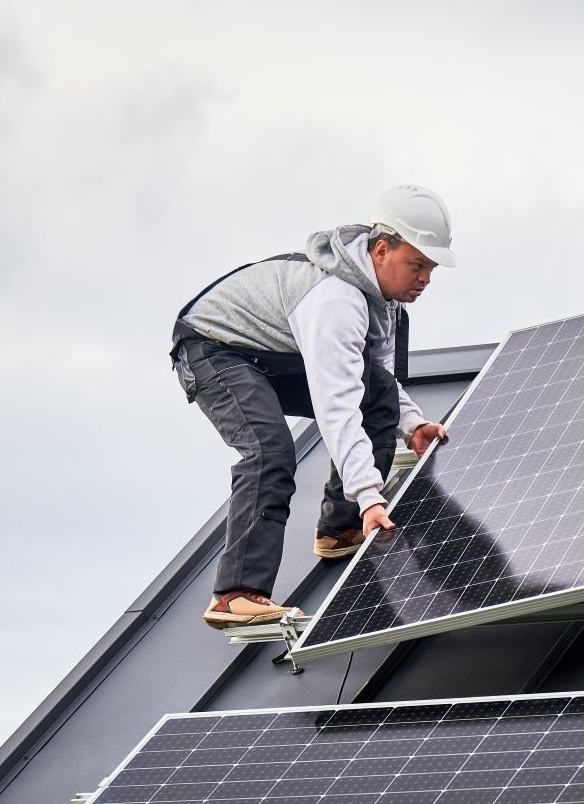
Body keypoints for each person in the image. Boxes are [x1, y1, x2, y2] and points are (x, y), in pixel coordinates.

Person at [170, 185, 453, 628]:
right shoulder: (335, 299)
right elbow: (337, 405)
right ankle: (236, 594)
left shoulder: (384, 303)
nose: (425, 279)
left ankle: (339, 529)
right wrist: (369, 497)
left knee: (376, 391)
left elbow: (374, 382)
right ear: (382, 250)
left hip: (270, 354)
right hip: (214, 348)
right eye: (418, 265)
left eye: (431, 269)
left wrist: (411, 424)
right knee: (270, 450)